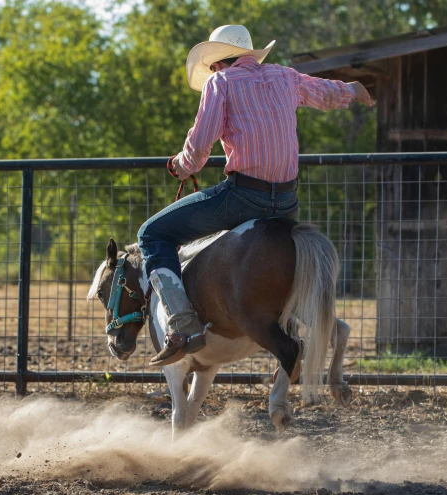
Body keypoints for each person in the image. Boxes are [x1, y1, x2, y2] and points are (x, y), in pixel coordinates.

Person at [138, 24, 374, 366]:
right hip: (287, 202)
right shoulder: (285, 77)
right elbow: (327, 95)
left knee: (152, 233)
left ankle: (182, 324)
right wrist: (352, 90)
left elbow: (199, 148)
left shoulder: (219, 84)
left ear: (217, 62)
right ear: (249, 54)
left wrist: (180, 166)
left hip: (245, 197)